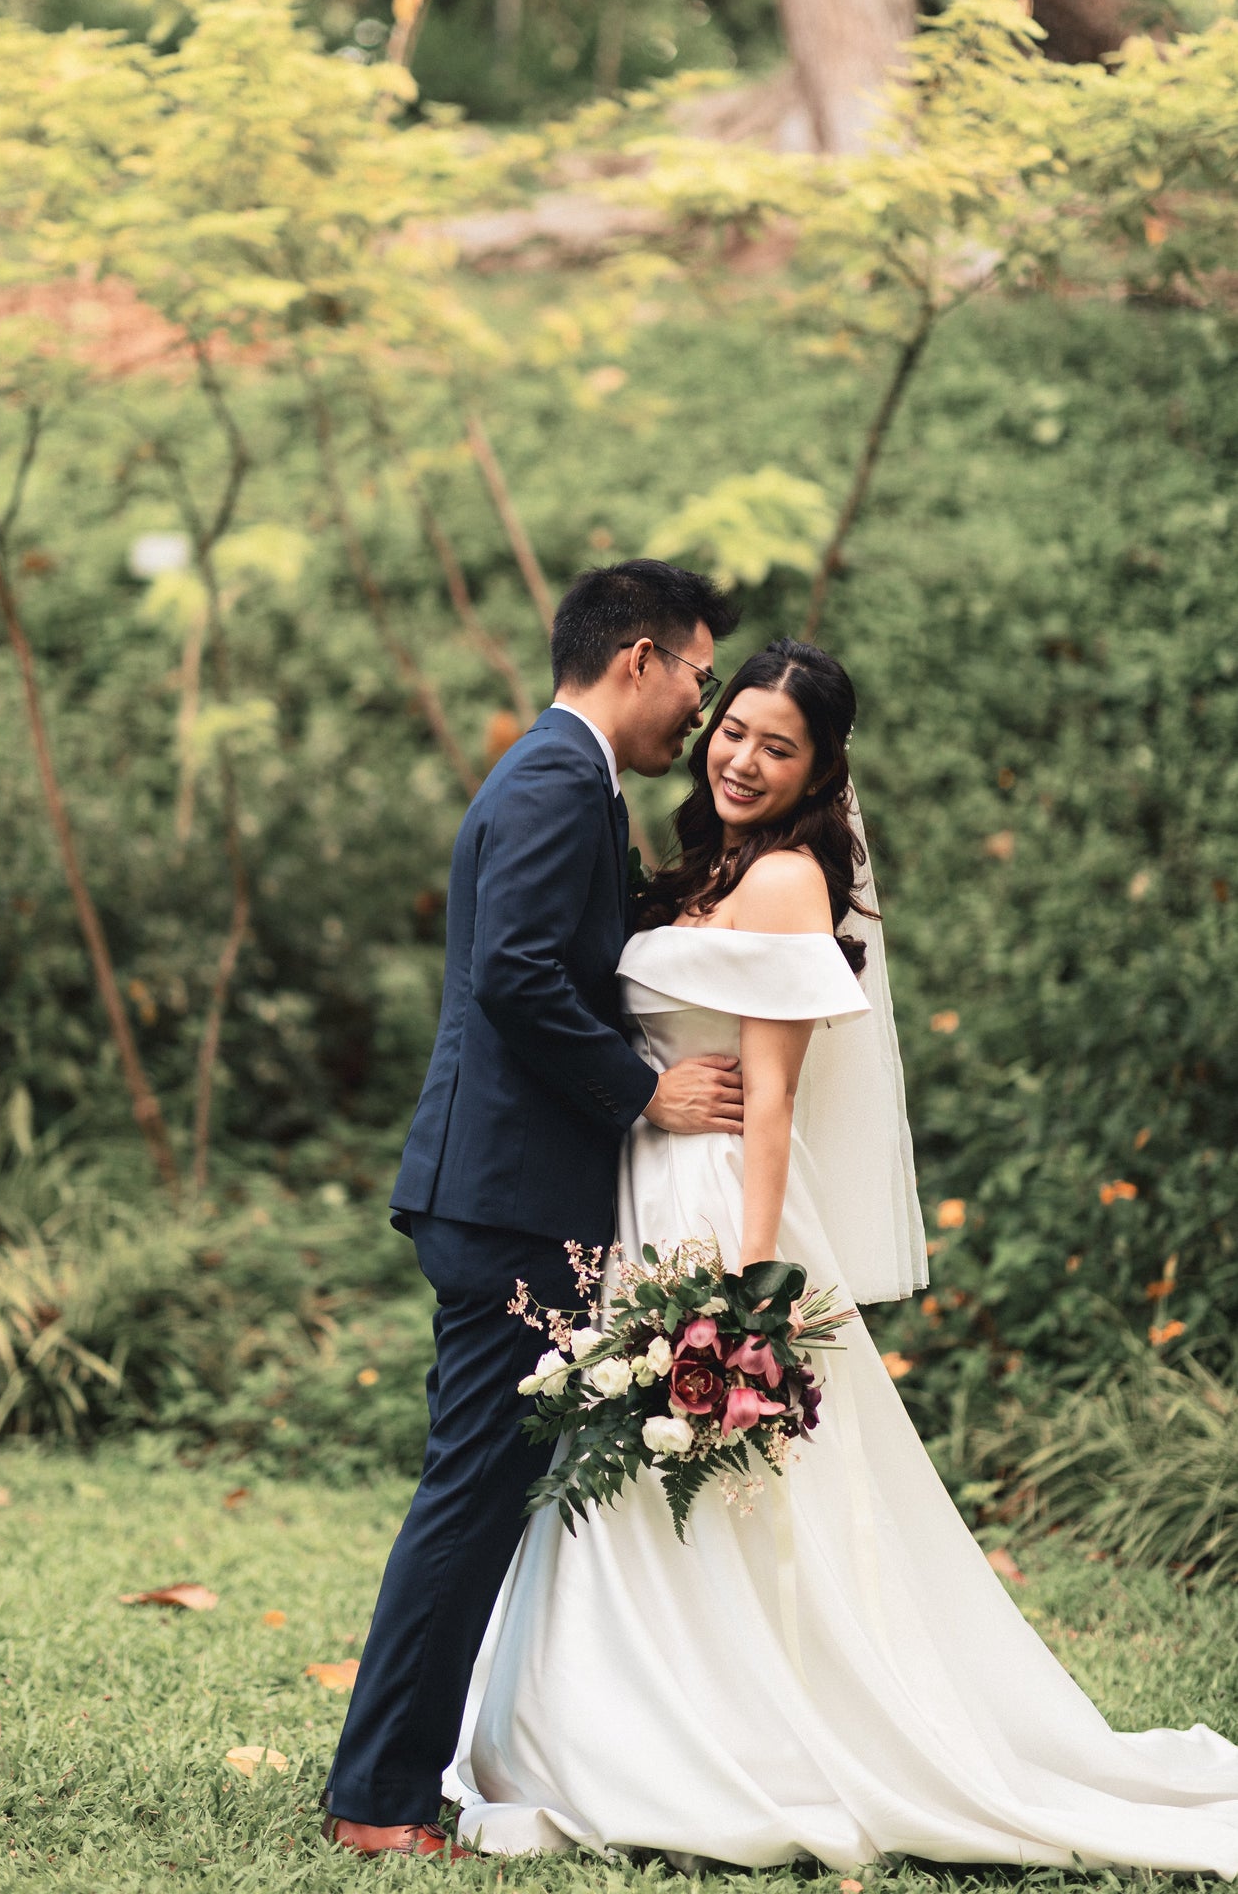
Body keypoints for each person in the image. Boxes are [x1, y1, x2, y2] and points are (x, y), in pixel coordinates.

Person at [447, 638, 1238, 1874]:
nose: (745, 759)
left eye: (780, 745)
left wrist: (738, 1297)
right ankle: (596, 1725)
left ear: (821, 769)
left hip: (717, 1210)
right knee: (631, 1484)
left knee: (739, 1486)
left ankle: (742, 1742)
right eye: (734, 731)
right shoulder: (705, 867)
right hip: (639, 1191)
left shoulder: (787, 883)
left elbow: (773, 1106)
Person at [320, 559, 741, 1860]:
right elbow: (513, 976)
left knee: (480, 1490)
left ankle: (397, 1778)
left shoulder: (555, 776)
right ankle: (379, 1799)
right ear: (636, 656)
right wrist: (644, 1094)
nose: (699, 704)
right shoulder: (560, 781)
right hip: (505, 1200)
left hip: (498, 1191)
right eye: (697, 673)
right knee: (469, 1494)